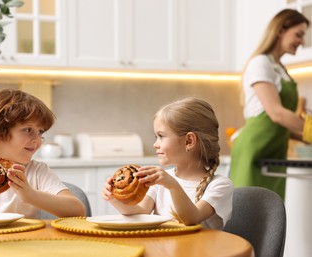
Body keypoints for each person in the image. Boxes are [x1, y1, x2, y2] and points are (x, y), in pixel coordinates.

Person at [102, 98, 234, 230]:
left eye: (161, 136)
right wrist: (114, 198)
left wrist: (172, 185)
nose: (155, 144)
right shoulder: (162, 181)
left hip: (200, 250)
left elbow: (191, 218)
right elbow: (140, 212)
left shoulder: (220, 185)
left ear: (189, 141)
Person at [230, 9, 310, 200]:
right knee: (248, 216)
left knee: (271, 220)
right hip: (254, 150)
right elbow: (276, 114)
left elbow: (279, 125)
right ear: (281, 30)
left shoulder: (280, 68)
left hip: (274, 153)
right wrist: (310, 128)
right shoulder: (260, 63)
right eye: (298, 34)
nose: (302, 41)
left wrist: (304, 136)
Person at [0, 88, 86, 218]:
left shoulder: (37, 171)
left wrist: (31, 195)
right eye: (28, 130)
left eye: (40, 132)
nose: (37, 140)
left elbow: (78, 210)